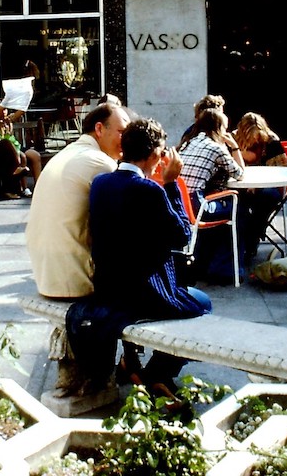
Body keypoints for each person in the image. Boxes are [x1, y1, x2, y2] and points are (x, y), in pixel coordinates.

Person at [79, 118, 212, 394]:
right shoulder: (149, 190)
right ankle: (158, 373)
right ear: (153, 155)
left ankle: (130, 361)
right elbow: (183, 236)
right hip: (144, 295)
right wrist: (172, 184)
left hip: (108, 288)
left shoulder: (101, 183)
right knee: (203, 305)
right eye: (162, 153)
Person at [25, 101, 132, 395]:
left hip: (45, 268)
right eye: (121, 131)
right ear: (99, 129)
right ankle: (107, 373)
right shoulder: (101, 163)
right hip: (72, 277)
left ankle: (86, 372)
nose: (127, 138)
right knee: (140, 285)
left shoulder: (69, 153)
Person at [177, 107, 246, 282]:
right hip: (197, 205)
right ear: (218, 128)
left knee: (225, 212)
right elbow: (240, 173)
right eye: (225, 128)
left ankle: (207, 263)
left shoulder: (189, 142)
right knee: (239, 211)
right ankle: (227, 270)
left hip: (181, 202)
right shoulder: (216, 148)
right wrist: (234, 146)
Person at [231, 112, 287, 257]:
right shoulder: (233, 140)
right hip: (239, 186)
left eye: (257, 136)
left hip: (268, 185)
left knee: (268, 197)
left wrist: (259, 184)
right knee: (238, 204)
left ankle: (251, 237)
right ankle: (243, 241)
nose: (254, 140)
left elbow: (284, 170)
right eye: (250, 136)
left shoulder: (270, 140)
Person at [0, 98, 43, 196]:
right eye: (2, 109)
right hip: (7, 150)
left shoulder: (8, 120)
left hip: (17, 145)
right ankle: (24, 188)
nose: (4, 112)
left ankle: (39, 186)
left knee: (35, 155)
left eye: (6, 109)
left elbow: (21, 112)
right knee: (22, 157)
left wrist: (26, 98)